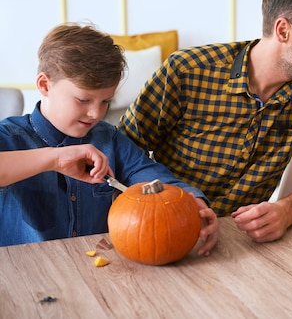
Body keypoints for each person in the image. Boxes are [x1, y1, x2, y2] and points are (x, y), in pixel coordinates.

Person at [119, 0, 292, 242]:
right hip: (165, 231)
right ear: (283, 31)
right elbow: (125, 149)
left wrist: (286, 211)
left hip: (241, 241)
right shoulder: (186, 71)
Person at [0, 23, 218, 252]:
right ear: (45, 85)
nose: (96, 113)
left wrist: (194, 202)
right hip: (24, 277)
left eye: (105, 101)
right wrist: (55, 158)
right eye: (83, 100)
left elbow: (150, 175)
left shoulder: (109, 139)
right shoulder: (9, 137)